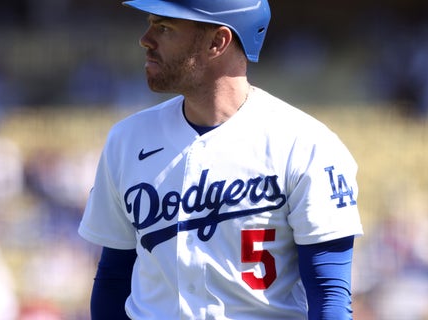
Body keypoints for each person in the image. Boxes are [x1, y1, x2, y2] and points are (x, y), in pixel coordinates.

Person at [78, 0, 364, 319]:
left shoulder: (305, 143)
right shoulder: (127, 139)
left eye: (164, 27)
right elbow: (113, 280)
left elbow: (329, 295)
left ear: (218, 42)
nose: (145, 39)